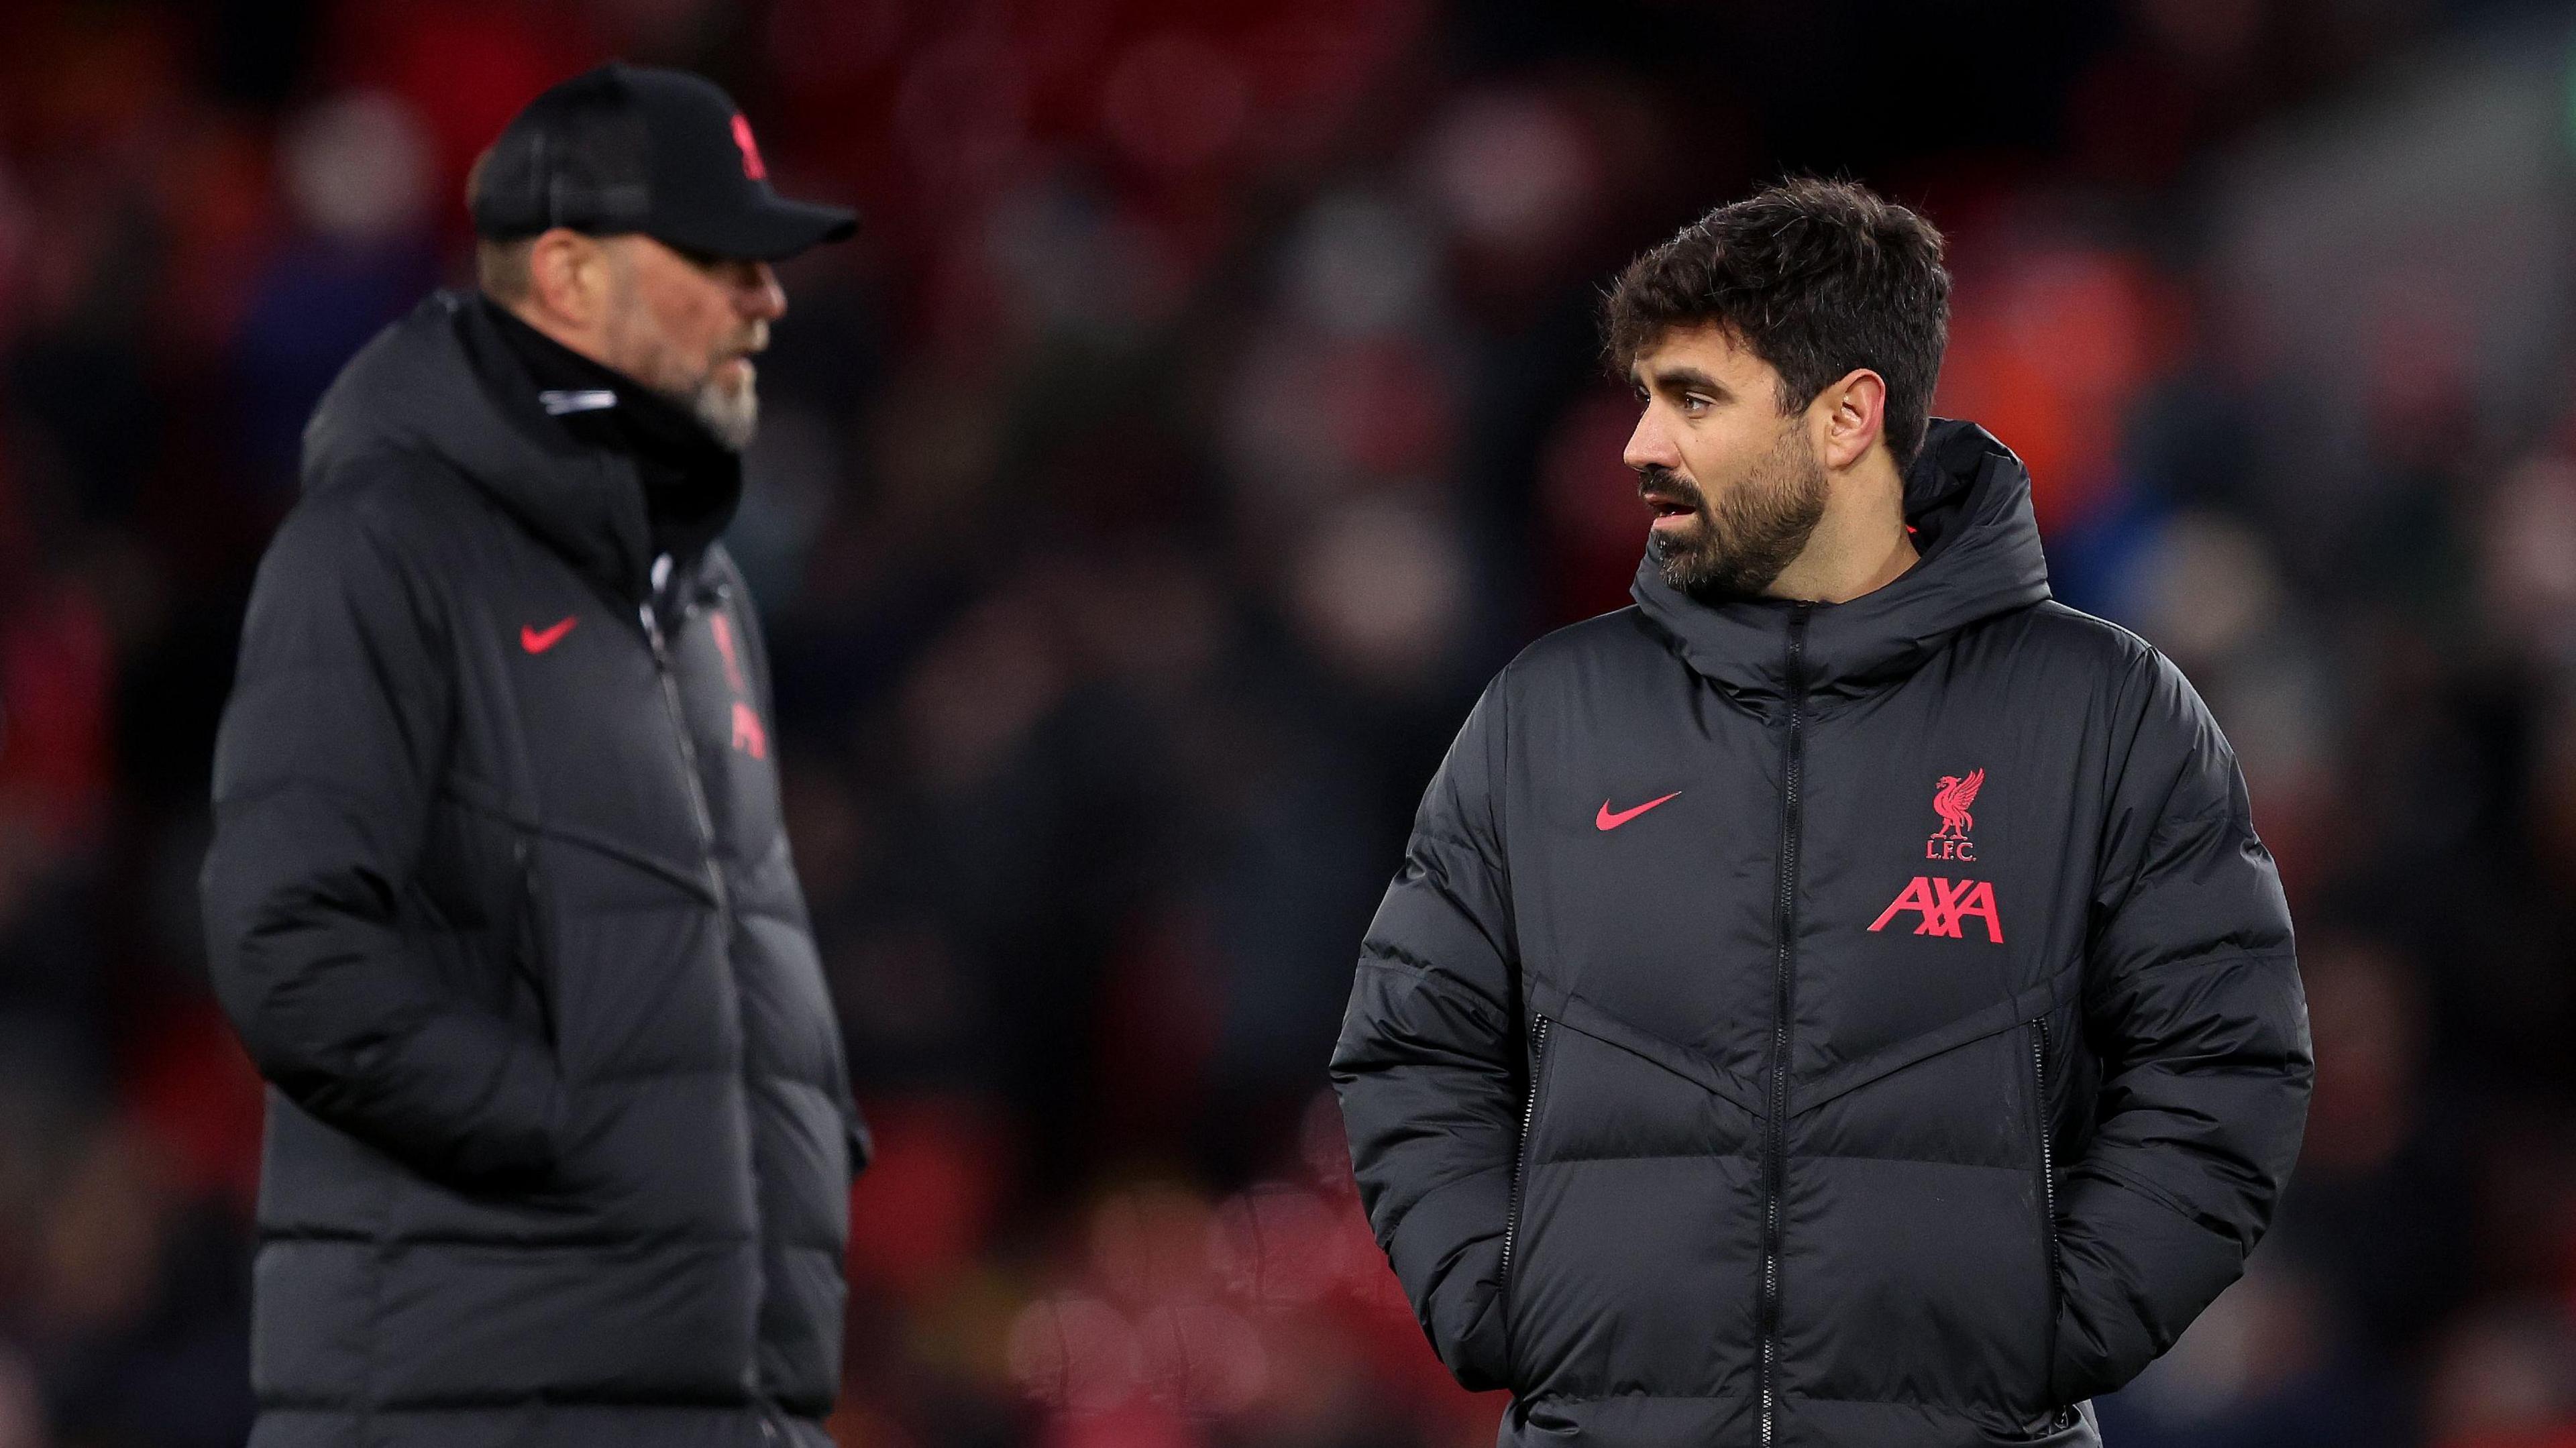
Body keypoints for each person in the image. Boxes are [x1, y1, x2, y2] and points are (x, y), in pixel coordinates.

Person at [1330, 178, 2313, 1448]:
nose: (1638, 446)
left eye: (1693, 399)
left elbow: (2227, 1061)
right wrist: (1504, 1304)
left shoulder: (2103, 714)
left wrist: (2045, 1331)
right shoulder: (1545, 716)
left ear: (1849, 417)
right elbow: (1413, 1046)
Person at [201, 64, 866, 1448]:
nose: (770, 299)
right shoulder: (381, 542)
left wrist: (786, 1144)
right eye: (720, 259)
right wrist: (576, 1132)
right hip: (470, 1404)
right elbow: (291, 945)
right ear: (567, 273)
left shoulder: (705, 590)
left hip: (711, 1401)